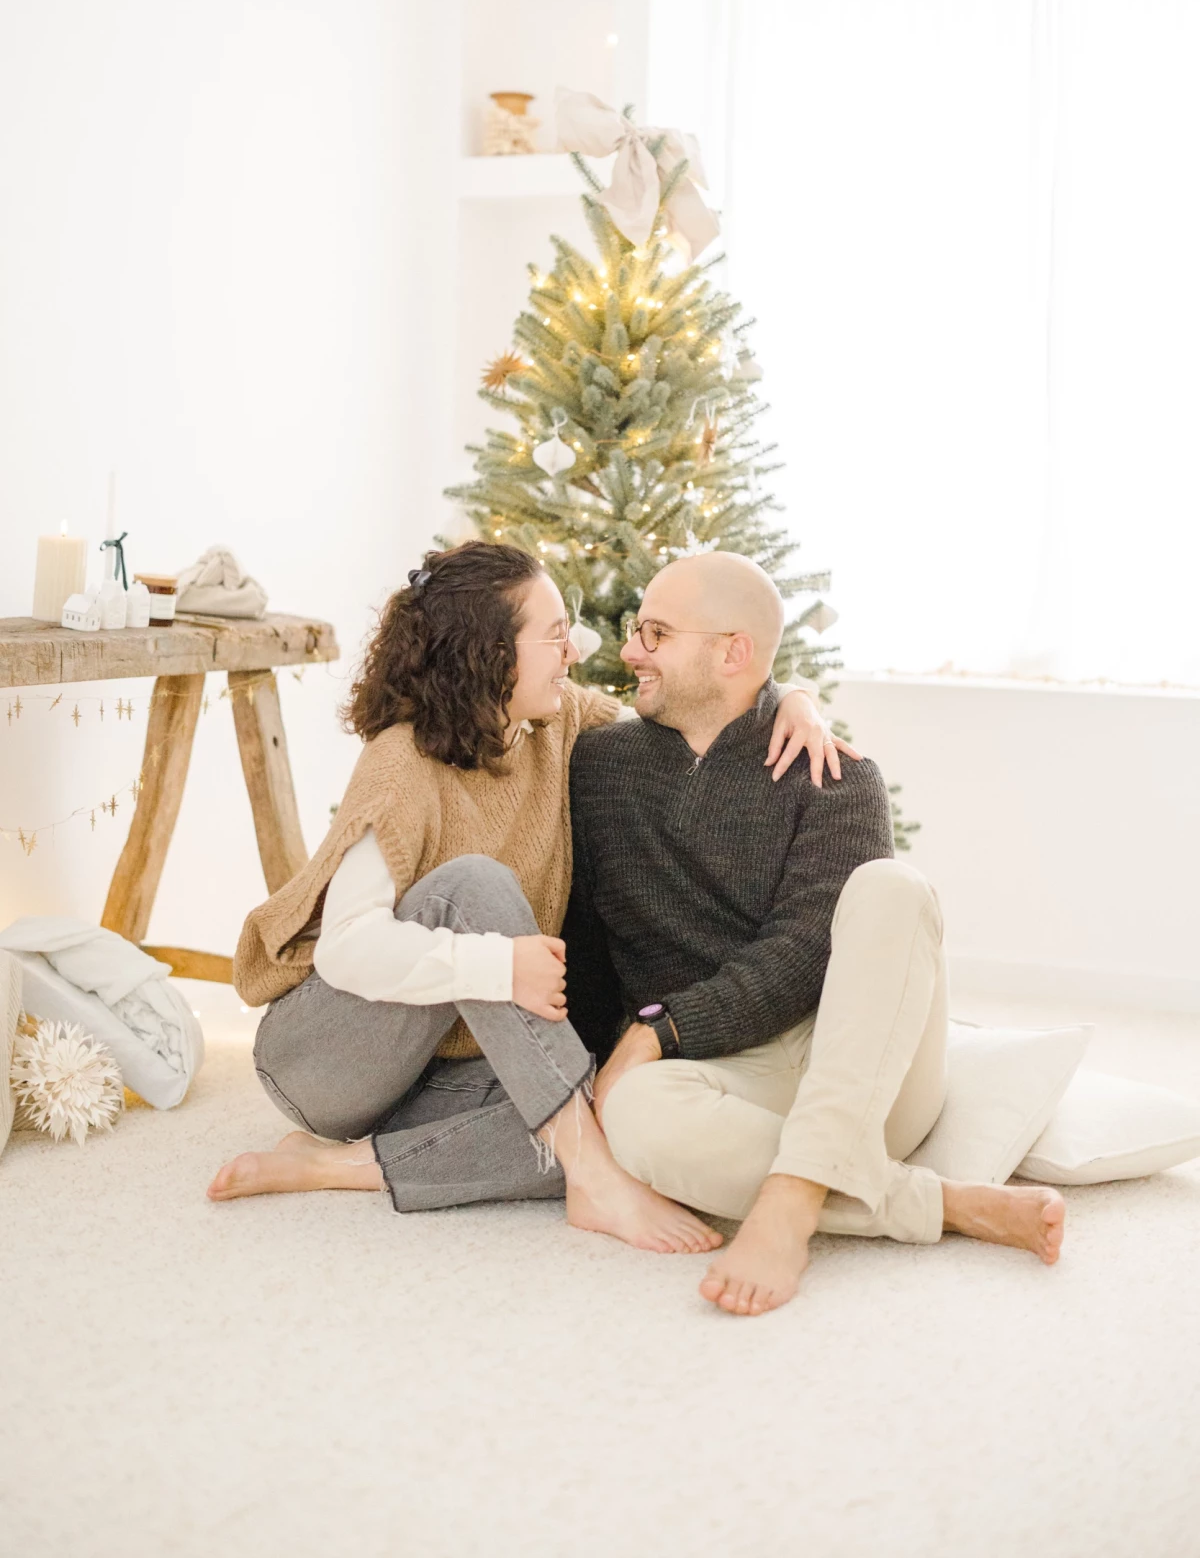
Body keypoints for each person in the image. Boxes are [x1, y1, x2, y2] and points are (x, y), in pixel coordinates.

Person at [206, 541, 844, 1254]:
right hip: (327, 1060)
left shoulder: (555, 723)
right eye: (554, 635)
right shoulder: (401, 762)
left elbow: (699, 710)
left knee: (605, 1105)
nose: (574, 651)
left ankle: (334, 1168)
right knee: (476, 888)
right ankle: (593, 1180)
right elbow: (349, 948)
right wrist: (498, 967)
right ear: (492, 654)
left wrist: (792, 698)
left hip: (439, 1074)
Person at [564, 551, 1067, 1313]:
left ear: (732, 651)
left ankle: (792, 1201)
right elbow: (587, 941)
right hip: (723, 1082)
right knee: (634, 1113)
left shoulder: (837, 774)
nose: (631, 650)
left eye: (655, 633)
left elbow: (805, 950)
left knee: (892, 886)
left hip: (858, 1069)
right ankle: (941, 1203)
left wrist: (661, 1030)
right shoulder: (599, 765)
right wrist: (607, 1062)